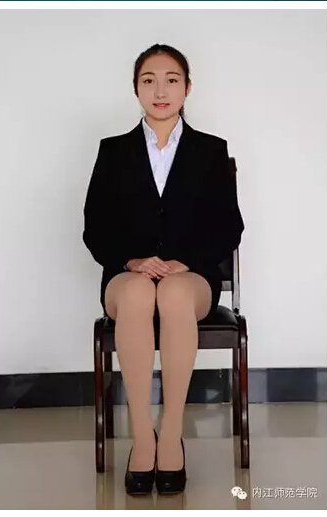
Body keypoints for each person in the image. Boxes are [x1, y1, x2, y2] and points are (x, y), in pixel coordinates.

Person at [82, 43, 245, 495]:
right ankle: (142, 436)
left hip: (190, 277)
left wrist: (186, 261)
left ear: (187, 88)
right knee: (138, 292)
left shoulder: (210, 150)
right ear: (135, 89)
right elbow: (95, 225)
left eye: (171, 80)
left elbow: (228, 226)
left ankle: (170, 434)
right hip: (127, 275)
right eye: (149, 80)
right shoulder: (113, 151)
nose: (160, 91)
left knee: (172, 294)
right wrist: (132, 261)